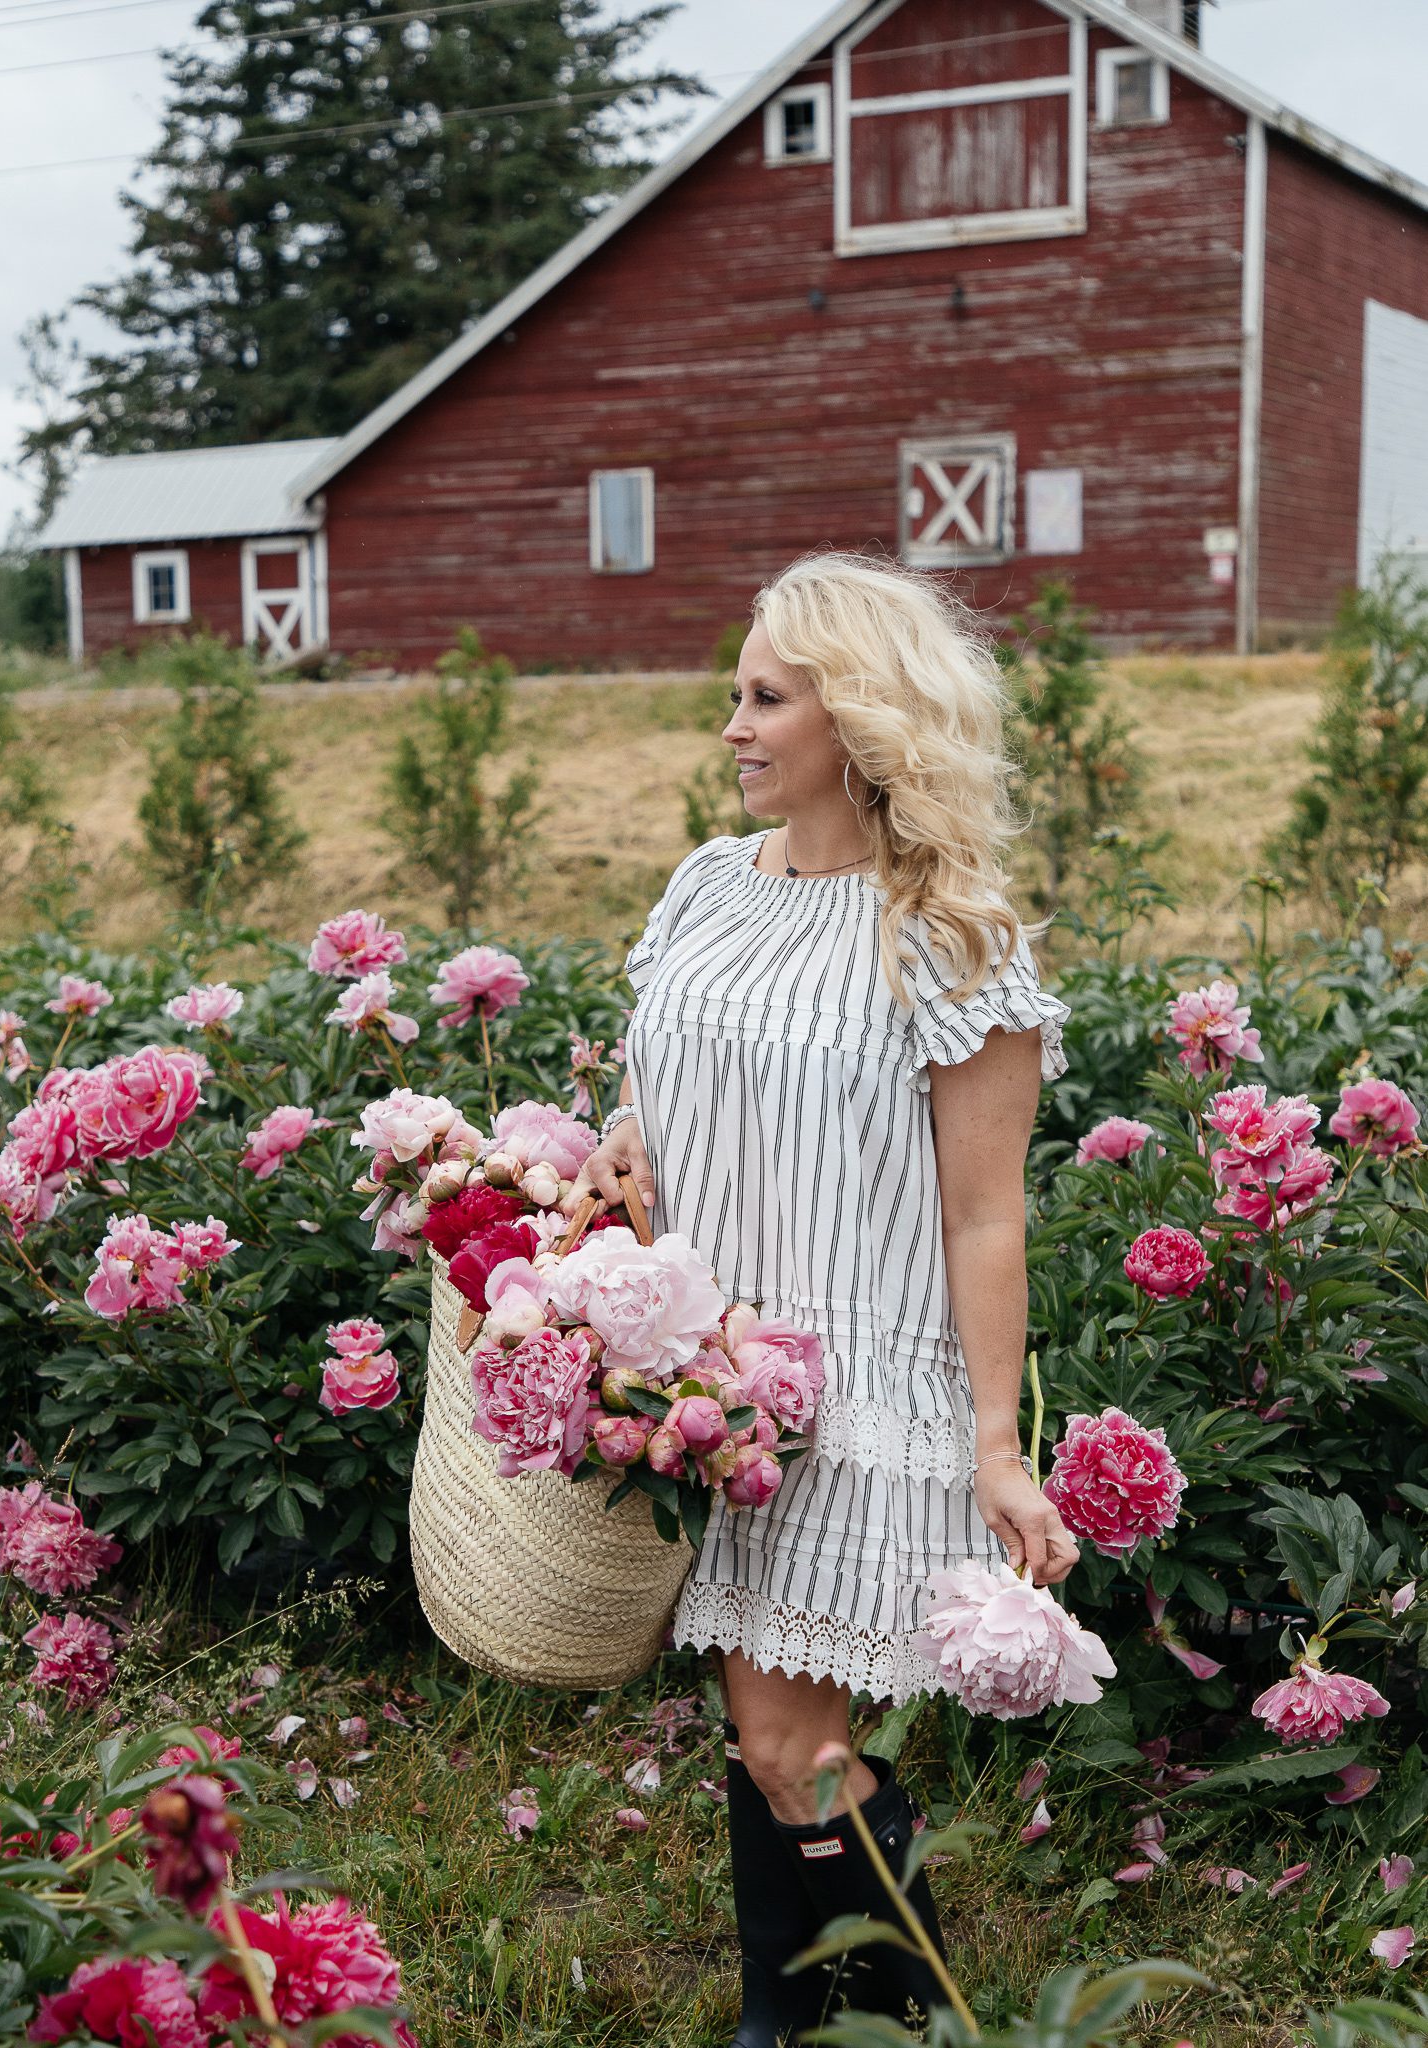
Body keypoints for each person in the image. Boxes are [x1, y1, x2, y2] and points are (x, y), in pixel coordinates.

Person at [561, 550, 1083, 2045]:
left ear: (857, 719)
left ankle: (901, 2014)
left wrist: (993, 1443)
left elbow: (986, 1213)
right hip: (709, 1377)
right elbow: (665, 1091)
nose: (730, 725)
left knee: (791, 1738)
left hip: (854, 1387)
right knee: (771, 1733)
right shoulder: (708, 888)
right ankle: (805, 2014)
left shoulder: (947, 934)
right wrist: (624, 1151)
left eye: (764, 697)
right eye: (732, 694)